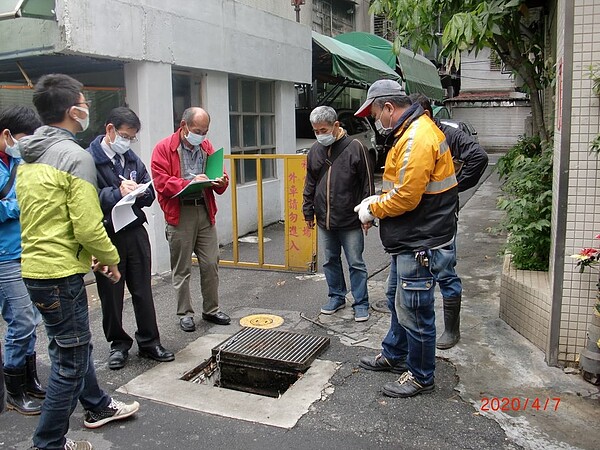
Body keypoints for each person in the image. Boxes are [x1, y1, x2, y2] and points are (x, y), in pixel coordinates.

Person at [17, 73, 139, 450]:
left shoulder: (28, 157)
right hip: (60, 275)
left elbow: (50, 220)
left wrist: (90, 256)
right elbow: (87, 226)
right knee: (69, 361)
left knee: (70, 346)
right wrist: (110, 258)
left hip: (35, 270)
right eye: (84, 101)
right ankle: (49, 443)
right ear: (73, 111)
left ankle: (98, 406)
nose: (87, 106)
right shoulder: (75, 156)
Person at [354, 79, 458, 398]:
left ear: (389, 108)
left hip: (420, 240)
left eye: (374, 114)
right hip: (411, 238)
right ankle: (395, 354)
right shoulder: (409, 133)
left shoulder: (416, 137)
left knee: (414, 307)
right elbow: (399, 190)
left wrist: (373, 210)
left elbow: (406, 198)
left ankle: (421, 375)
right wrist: (374, 206)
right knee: (397, 297)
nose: (375, 121)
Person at [87, 107, 174, 370]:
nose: (128, 141)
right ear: (110, 129)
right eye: (125, 135)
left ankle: (149, 341)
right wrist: (116, 192)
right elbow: (87, 197)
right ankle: (118, 344)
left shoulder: (132, 159)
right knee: (111, 295)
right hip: (107, 234)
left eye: (132, 137)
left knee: (142, 290)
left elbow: (150, 191)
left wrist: (140, 192)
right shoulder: (89, 160)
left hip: (135, 231)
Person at [409, 93, 489, 349]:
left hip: (442, 214)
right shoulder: (410, 136)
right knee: (415, 272)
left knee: (444, 269)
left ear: (427, 114)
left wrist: (455, 186)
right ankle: (419, 327)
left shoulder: (449, 134)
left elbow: (479, 157)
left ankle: (452, 330)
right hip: (415, 216)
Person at [151, 107, 230, 332]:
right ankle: (185, 313)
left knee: (210, 262)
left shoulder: (206, 146)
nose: (202, 135)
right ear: (184, 126)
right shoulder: (164, 148)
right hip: (180, 212)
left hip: (204, 210)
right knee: (182, 267)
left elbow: (220, 179)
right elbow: (161, 183)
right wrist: (190, 183)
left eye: (205, 131)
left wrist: (220, 180)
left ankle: (211, 309)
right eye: (197, 130)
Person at [302, 106, 375, 322]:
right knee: (330, 260)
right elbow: (310, 184)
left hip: (350, 219)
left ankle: (361, 303)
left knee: (356, 262)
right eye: (315, 131)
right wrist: (308, 212)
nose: (319, 135)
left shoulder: (356, 147)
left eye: (323, 129)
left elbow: (367, 183)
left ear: (336, 126)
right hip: (324, 219)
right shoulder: (315, 150)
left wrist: (368, 214)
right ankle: (336, 296)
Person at [0, 105, 45, 416]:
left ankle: (29, 381)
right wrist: (19, 204)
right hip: (4, 256)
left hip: (26, 250)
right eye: (23, 139)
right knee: (22, 320)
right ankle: (14, 390)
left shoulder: (18, 160)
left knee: (32, 319)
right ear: (6, 135)